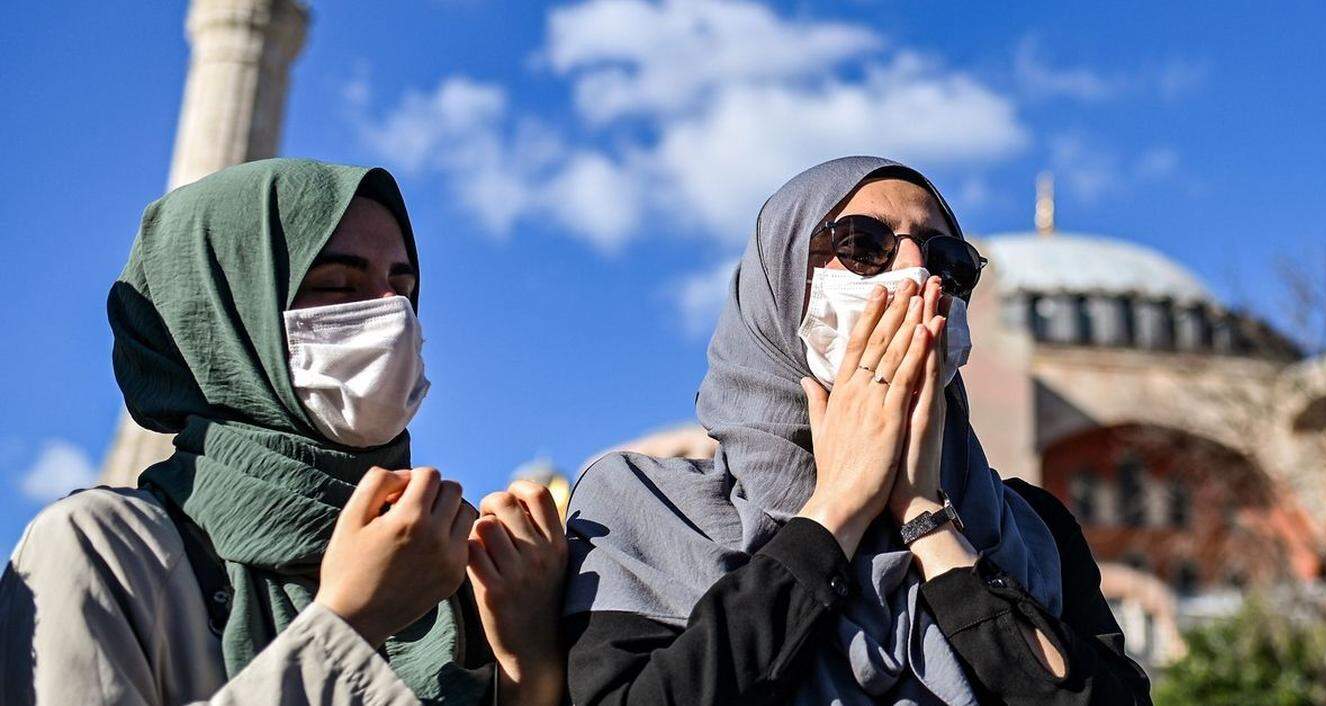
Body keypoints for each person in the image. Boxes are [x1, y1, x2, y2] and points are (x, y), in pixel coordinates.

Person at [561, 156, 1151, 705]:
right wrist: (837, 508)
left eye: (948, 261)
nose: (918, 275)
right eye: (863, 245)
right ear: (779, 284)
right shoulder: (642, 508)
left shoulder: (1032, 528)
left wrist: (928, 520)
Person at [0, 158, 566, 705]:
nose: (392, 316)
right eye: (338, 284)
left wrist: (530, 669)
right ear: (226, 316)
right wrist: (351, 620)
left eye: (403, 285)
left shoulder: (456, 569)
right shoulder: (104, 550)